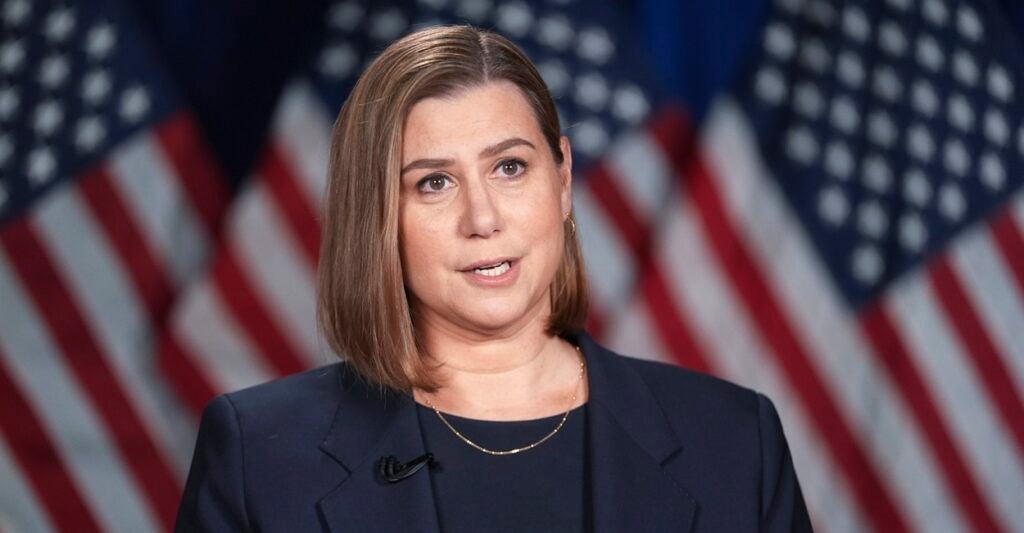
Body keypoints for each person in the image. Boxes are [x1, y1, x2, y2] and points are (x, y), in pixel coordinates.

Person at [176, 25, 812, 532]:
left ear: (562, 180)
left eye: (509, 167)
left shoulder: (734, 441)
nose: (482, 219)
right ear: (376, 218)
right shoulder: (259, 455)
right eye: (434, 182)